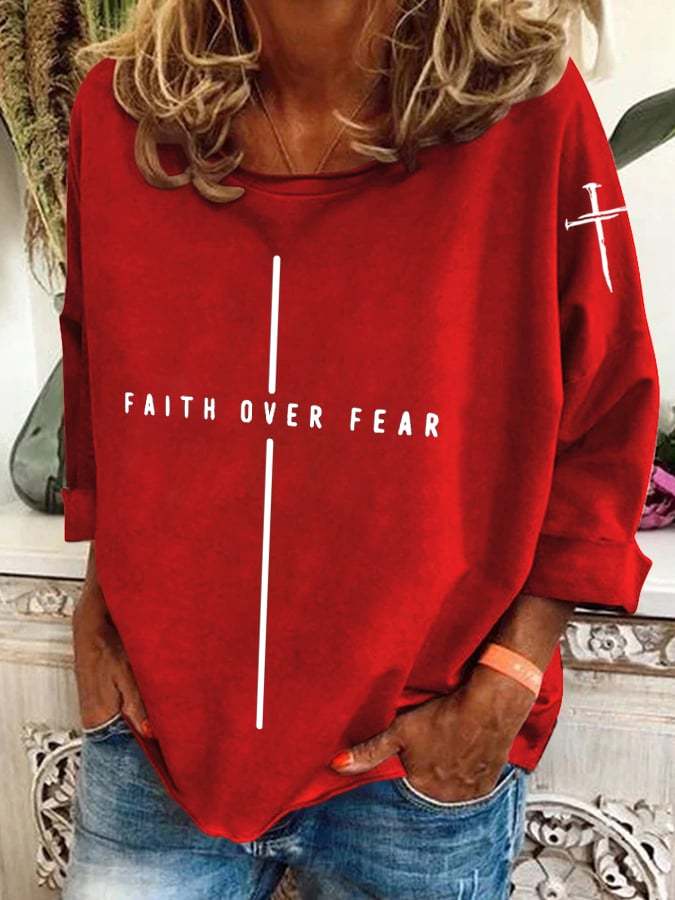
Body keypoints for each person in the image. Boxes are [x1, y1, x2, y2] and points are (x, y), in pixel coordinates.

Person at [58, 1, 660, 897]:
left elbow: (604, 408)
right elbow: (100, 381)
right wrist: (96, 609)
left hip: (415, 761)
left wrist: (508, 675)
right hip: (155, 743)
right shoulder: (120, 113)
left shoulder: (531, 110)